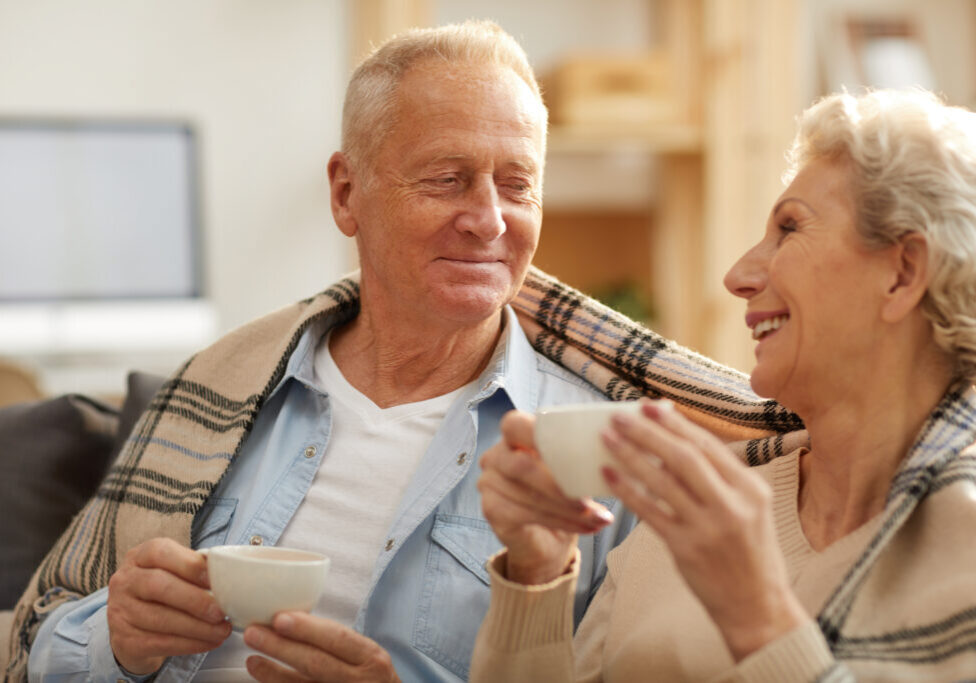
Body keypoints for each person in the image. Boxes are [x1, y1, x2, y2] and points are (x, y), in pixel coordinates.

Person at [6, 21, 803, 683]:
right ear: (347, 193)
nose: (489, 219)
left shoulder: (601, 453)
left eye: (517, 183)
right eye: (448, 178)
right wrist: (115, 635)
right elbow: (36, 644)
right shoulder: (216, 391)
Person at [471, 87, 976, 682]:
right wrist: (537, 577)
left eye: (790, 229)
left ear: (903, 273)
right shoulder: (696, 508)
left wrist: (757, 618)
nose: (738, 276)